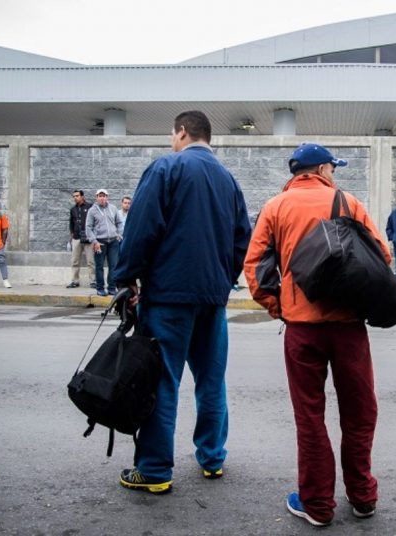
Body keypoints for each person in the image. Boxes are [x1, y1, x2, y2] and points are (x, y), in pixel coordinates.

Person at [245, 142, 389, 527]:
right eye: (333, 168)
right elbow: (382, 257)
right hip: (348, 329)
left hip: (302, 330)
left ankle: (317, 505)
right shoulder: (348, 203)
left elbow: (255, 267)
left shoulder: (275, 207)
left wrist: (281, 307)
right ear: (322, 169)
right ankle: (362, 497)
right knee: (359, 413)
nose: (334, 174)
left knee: (310, 416)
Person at [113, 110, 251, 495]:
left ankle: (155, 470)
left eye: (172, 134)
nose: (171, 141)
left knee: (162, 380)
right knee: (211, 379)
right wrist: (223, 280)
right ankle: (212, 458)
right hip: (213, 298)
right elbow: (244, 238)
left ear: (183, 132)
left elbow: (141, 229)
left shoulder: (166, 168)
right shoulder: (228, 180)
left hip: (169, 297)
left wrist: (126, 278)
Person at [85, 188, 123, 297]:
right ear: (96, 198)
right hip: (99, 243)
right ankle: (100, 288)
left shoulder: (113, 208)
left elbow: (119, 222)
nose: (102, 198)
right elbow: (88, 227)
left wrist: (119, 235)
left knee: (114, 265)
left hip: (113, 242)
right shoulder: (92, 210)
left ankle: (111, 287)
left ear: (107, 197)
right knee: (99, 266)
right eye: (100, 196)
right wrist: (94, 241)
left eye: (104, 196)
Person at [67, 189, 95, 289]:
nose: (75, 198)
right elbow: (71, 222)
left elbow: (95, 221)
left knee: (90, 261)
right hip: (76, 238)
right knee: (74, 261)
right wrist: (72, 235)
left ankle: (93, 281)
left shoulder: (90, 207)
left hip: (88, 238)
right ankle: (75, 281)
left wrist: (93, 235)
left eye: (77, 196)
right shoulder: (72, 209)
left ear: (82, 196)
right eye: (74, 196)